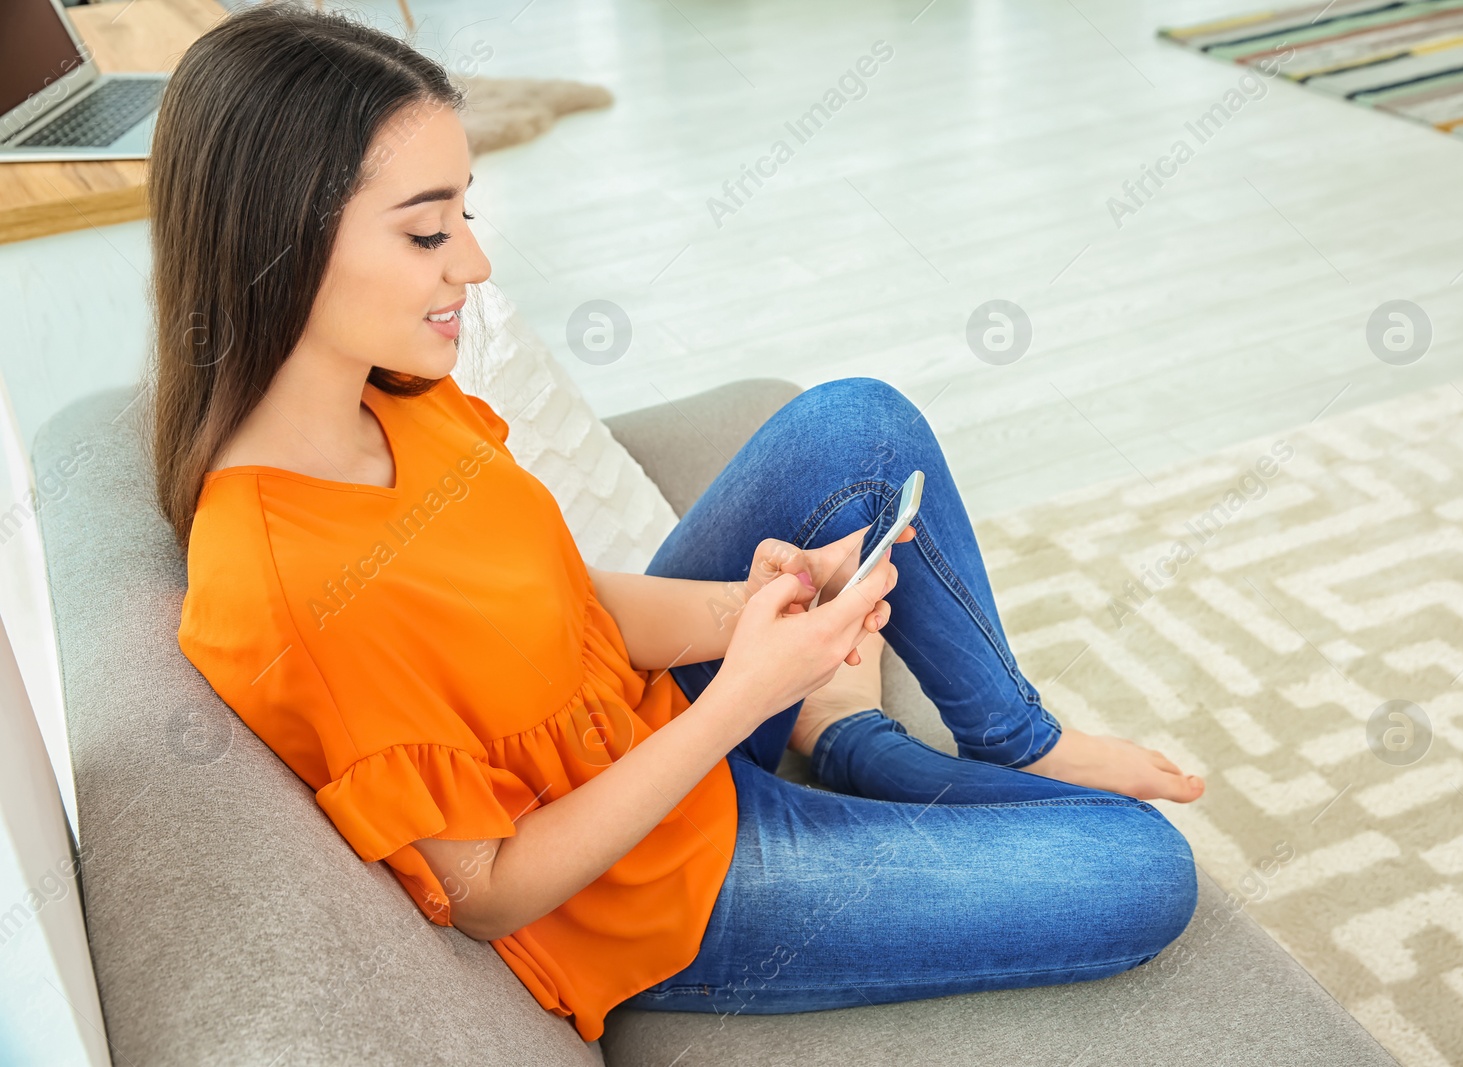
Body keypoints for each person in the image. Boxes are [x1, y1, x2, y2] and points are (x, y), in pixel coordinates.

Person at [150, 1, 1204, 1044]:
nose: (472, 263)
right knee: (1143, 866)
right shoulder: (283, 582)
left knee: (860, 430)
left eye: (464, 214)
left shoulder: (393, 397)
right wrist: (747, 693)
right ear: (281, 244)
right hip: (652, 892)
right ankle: (852, 740)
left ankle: (1019, 741)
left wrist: (749, 609)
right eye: (428, 230)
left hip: (648, 728)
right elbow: (489, 891)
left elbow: (565, 599)